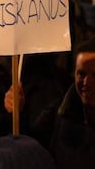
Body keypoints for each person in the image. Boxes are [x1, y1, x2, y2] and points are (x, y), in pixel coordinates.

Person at [30, 38, 95, 168]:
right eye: (81, 74)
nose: (87, 82)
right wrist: (15, 112)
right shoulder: (57, 113)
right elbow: (29, 145)